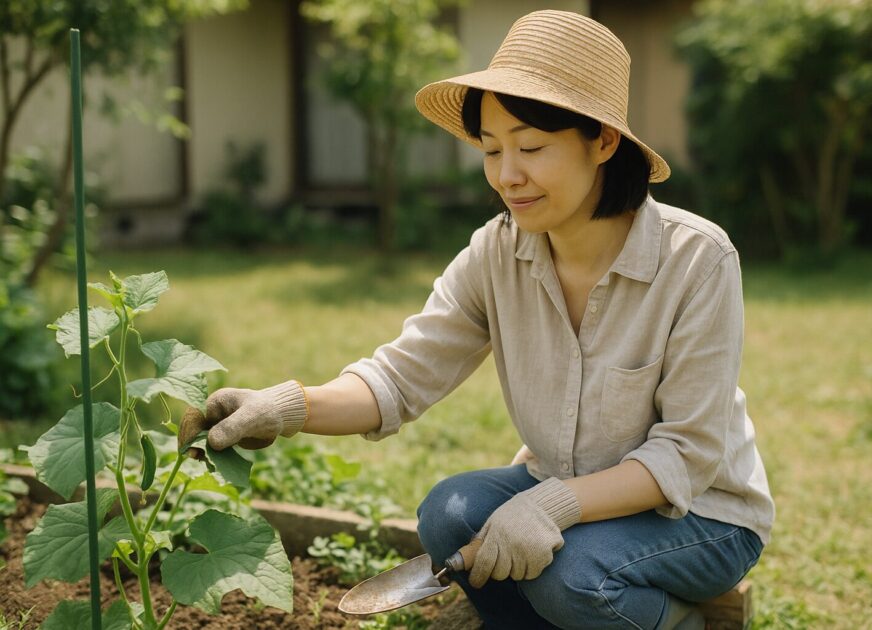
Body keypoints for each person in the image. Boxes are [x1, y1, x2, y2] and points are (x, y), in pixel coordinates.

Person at [180, 10, 774, 629]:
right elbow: (400, 378)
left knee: (575, 577)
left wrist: (552, 504)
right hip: (565, 490)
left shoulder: (697, 259)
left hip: (700, 514)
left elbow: (686, 454)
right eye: (492, 150)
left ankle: (679, 622)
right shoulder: (497, 252)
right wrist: (285, 408)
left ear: (602, 141)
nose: (507, 176)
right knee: (449, 515)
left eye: (531, 147)